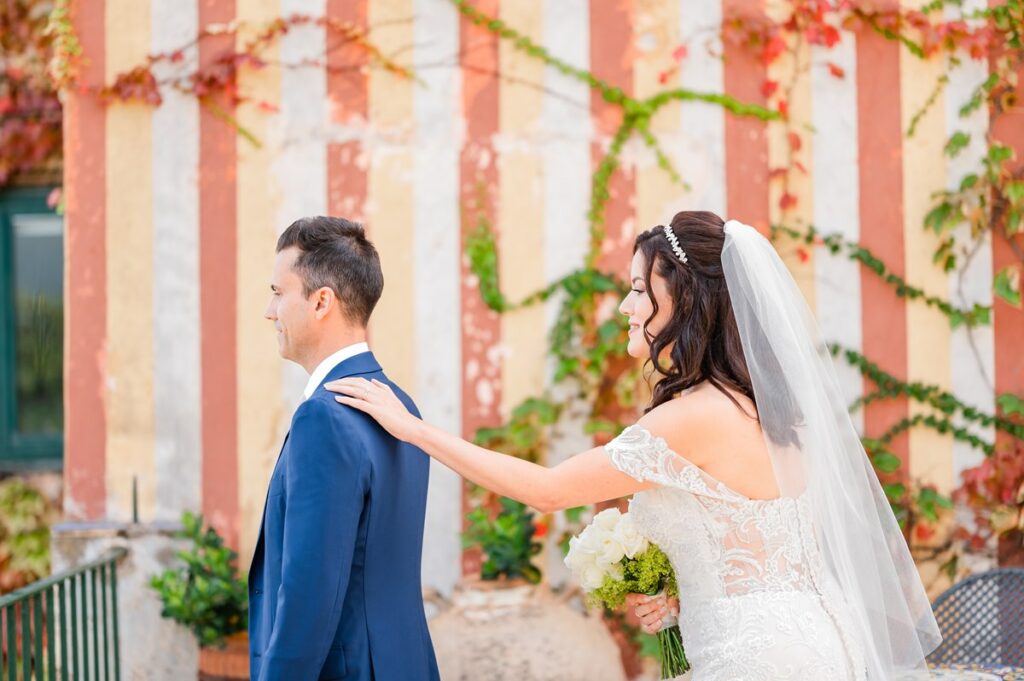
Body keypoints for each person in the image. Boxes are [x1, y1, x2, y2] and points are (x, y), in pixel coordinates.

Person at [328, 210, 941, 680]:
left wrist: (413, 429)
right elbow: (765, 548)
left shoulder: (693, 417)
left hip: (758, 659)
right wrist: (681, 593)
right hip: (820, 646)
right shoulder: (782, 416)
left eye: (640, 290)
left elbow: (546, 491)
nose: (625, 305)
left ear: (688, 302)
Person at [248, 216, 440, 681]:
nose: (270, 311)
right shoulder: (402, 406)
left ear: (321, 302)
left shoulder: (322, 418)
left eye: (278, 292)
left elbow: (307, 596)